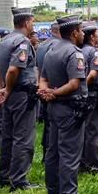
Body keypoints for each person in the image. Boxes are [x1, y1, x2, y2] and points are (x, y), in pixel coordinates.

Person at [38, 15, 96, 194]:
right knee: (69, 154)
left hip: (54, 109)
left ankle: (53, 193)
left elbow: (42, 79)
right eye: (80, 31)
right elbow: (74, 83)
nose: (82, 34)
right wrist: (53, 93)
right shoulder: (74, 53)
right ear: (74, 33)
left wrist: (46, 92)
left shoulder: (51, 52)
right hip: (70, 108)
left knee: (53, 151)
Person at [0, 7, 39, 191]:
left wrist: (2, 89)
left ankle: (4, 176)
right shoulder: (22, 42)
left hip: (11, 94)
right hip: (21, 94)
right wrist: (8, 89)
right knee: (23, 137)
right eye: (32, 22)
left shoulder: (5, 41)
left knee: (8, 136)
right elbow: (13, 69)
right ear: (27, 22)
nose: (33, 26)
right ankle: (19, 179)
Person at [80, 22, 98, 174]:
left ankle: (82, 162)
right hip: (92, 95)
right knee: (95, 131)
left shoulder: (78, 50)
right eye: (97, 34)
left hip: (81, 96)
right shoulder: (94, 53)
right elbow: (93, 74)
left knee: (83, 129)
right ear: (91, 36)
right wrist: (82, 87)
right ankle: (94, 166)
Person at [36, 23, 61, 161]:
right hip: (54, 90)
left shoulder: (41, 45)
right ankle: (51, 155)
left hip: (42, 87)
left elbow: (38, 70)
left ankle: (46, 152)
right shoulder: (58, 45)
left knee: (47, 123)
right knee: (54, 125)